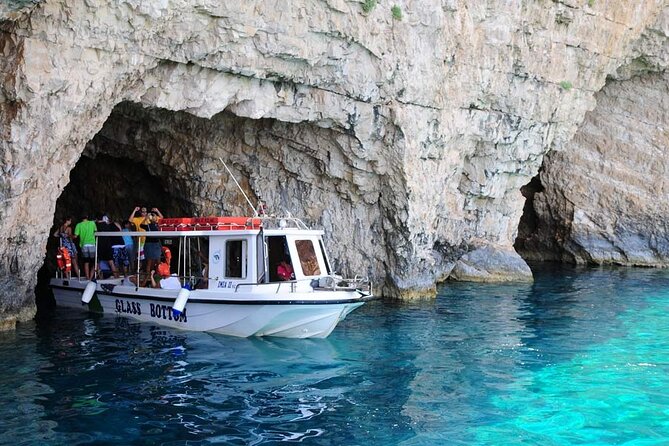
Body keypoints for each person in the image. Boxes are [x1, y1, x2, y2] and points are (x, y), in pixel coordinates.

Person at [140, 209, 163, 286]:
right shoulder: (155, 226)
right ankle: (153, 276)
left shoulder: (153, 226)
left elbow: (141, 225)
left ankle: (152, 276)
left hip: (152, 244)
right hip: (153, 244)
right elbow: (141, 225)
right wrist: (147, 217)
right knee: (154, 262)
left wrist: (146, 218)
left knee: (153, 262)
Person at [96, 214, 122, 278]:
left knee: (98, 262)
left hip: (100, 246)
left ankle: (100, 277)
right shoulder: (108, 225)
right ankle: (116, 276)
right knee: (111, 262)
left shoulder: (96, 225)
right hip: (108, 245)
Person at [74, 214, 97, 280]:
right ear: (87, 217)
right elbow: (95, 231)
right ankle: (91, 277)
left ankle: (87, 277)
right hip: (92, 244)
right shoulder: (92, 223)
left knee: (86, 262)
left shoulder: (78, 225)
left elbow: (75, 235)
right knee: (94, 262)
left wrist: (69, 236)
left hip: (84, 245)